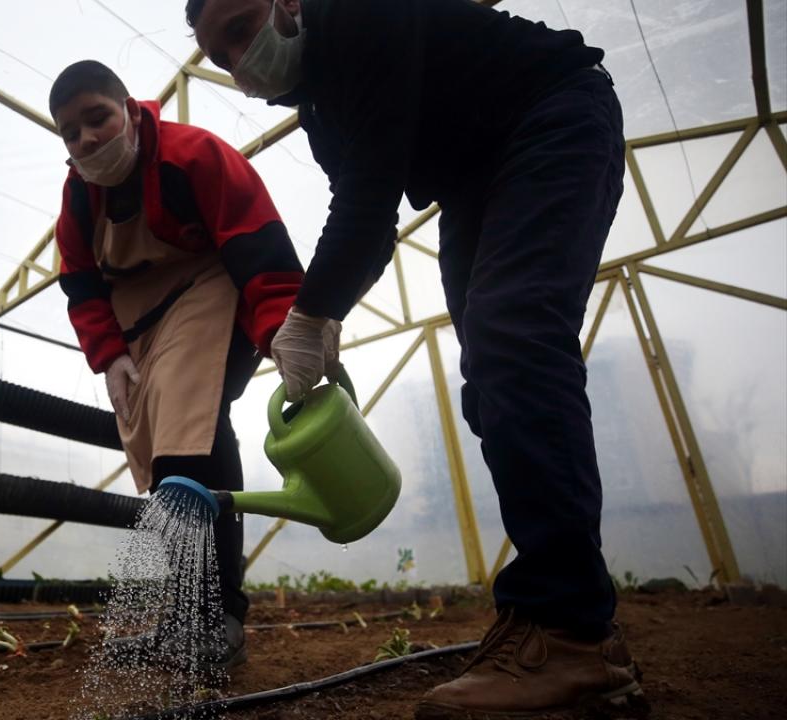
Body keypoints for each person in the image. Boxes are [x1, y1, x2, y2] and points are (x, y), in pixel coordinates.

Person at [185, 0, 649, 717]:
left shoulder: (359, 13)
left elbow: (369, 206)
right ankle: (548, 620)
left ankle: (569, 632)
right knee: (494, 374)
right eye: (222, 57)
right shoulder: (321, 110)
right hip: (476, 180)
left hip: (550, 113)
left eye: (242, 29)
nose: (241, 62)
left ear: (285, 3)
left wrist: (310, 314)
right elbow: (366, 217)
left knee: (513, 336)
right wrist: (324, 315)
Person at [49, 60, 304, 672]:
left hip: (211, 292)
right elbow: (80, 284)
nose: (86, 140)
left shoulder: (193, 155)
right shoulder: (79, 198)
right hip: (141, 324)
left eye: (97, 119)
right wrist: (107, 355)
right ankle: (187, 616)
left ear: (131, 111)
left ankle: (221, 616)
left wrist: (280, 328)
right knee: (164, 458)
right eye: (70, 132)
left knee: (188, 447)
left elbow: (258, 241)